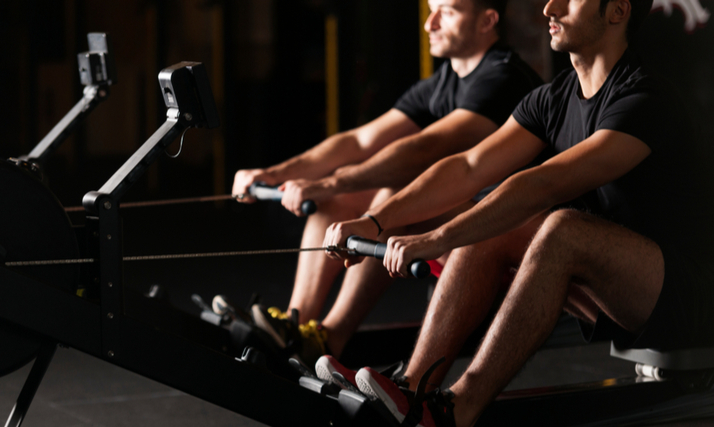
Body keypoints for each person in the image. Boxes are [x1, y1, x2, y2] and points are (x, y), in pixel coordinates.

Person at [322, 0, 714, 425]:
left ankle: (460, 408)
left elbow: (544, 183)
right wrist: (377, 220)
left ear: (617, 12)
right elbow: (468, 167)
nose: (551, 7)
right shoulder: (552, 99)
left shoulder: (645, 98)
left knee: (560, 226)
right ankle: (414, 390)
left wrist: (436, 239)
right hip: (618, 294)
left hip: (689, 300)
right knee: (498, 225)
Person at [228, 0, 543, 367]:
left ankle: (330, 337)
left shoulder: (503, 77)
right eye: (431, 10)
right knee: (341, 197)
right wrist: (276, 173)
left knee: (392, 198)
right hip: (464, 223)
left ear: (488, 20)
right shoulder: (442, 82)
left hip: (504, 236)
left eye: (449, 12)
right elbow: (360, 141)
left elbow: (428, 146)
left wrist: (329, 182)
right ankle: (296, 327)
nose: (431, 24)